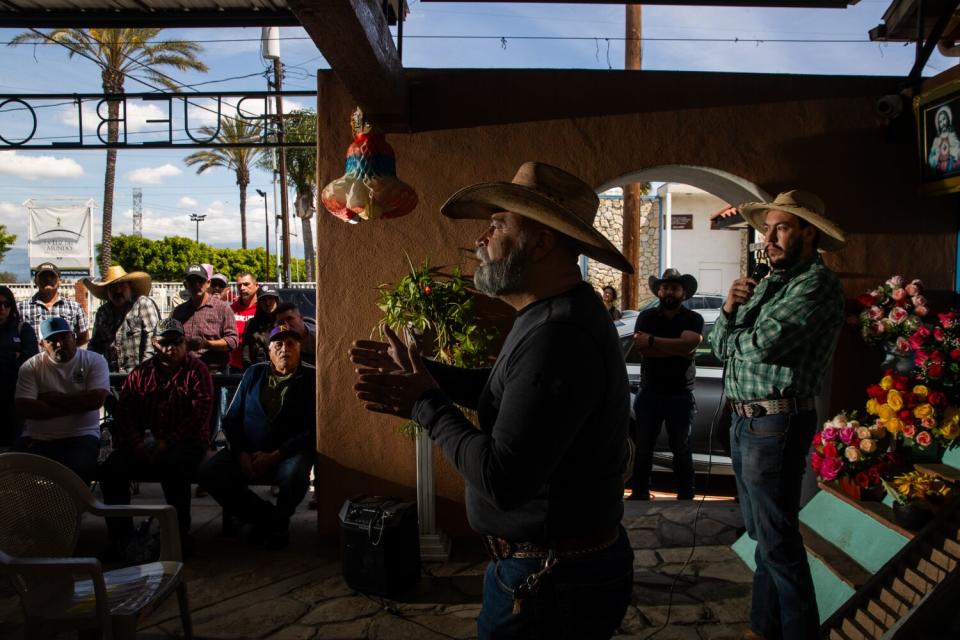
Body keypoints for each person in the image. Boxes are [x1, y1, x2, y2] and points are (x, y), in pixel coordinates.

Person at [350, 162, 635, 640]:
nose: (482, 239)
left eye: (499, 224)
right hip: (550, 570)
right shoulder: (552, 314)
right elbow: (514, 390)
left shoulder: (558, 334)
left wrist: (426, 404)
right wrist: (430, 375)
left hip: (552, 584)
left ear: (541, 242)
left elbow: (502, 480)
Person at [709, 189, 846, 640]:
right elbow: (719, 347)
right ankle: (761, 628)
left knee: (777, 540)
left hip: (776, 423)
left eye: (780, 227)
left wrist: (736, 336)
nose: (767, 238)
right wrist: (729, 308)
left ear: (809, 233)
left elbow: (762, 345)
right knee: (763, 536)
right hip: (745, 421)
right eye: (766, 229)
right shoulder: (770, 282)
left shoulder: (817, 284)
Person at [100, 318, 213, 555]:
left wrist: (167, 442)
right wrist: (136, 443)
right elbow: (125, 412)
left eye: (177, 342)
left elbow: (199, 415)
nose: (171, 347)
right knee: (111, 468)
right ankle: (121, 536)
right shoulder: (141, 373)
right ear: (154, 343)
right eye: (165, 342)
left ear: (185, 343)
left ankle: (178, 536)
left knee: (174, 466)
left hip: (187, 442)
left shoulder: (197, 371)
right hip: (146, 441)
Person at [198, 324, 316, 549]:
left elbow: (313, 428)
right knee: (208, 473)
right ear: (269, 351)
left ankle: (275, 524)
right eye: (278, 345)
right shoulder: (254, 373)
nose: (284, 349)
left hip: (287, 452)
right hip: (249, 448)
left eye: (291, 344)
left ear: (300, 349)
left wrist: (276, 455)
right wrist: (241, 452)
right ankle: (269, 519)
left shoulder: (311, 378)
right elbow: (232, 418)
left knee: (294, 474)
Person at [628, 269, 703, 501]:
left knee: (681, 447)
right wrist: (676, 347)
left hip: (680, 394)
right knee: (643, 447)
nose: (670, 291)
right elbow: (641, 348)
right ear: (659, 291)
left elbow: (688, 346)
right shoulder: (646, 317)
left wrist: (653, 342)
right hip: (649, 392)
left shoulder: (694, 319)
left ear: (683, 293)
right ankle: (640, 492)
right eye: (666, 287)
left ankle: (686, 494)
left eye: (675, 288)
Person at [13, 317, 110, 483]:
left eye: (64, 337)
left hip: (81, 435)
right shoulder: (31, 367)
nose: (59, 344)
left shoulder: (94, 361)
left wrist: (52, 399)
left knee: (78, 470)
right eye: (52, 340)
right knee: (14, 474)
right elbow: (24, 407)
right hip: (37, 437)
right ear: (42, 344)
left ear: (73, 337)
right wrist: (76, 404)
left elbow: (95, 400)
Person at [84, 266, 161, 373]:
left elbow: (153, 338)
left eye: (121, 285)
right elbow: (96, 345)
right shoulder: (103, 312)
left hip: (140, 374)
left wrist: (144, 372)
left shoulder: (142, 304)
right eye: (112, 287)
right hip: (111, 376)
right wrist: (87, 365)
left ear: (130, 287)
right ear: (107, 291)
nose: (117, 290)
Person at [171, 264, 239, 372]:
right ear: (185, 285)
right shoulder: (178, 311)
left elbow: (233, 341)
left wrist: (207, 344)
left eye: (200, 281)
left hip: (215, 372)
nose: (196, 285)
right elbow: (172, 339)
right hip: (185, 371)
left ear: (208, 283)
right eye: (192, 281)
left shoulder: (223, 308)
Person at [0, 286, 38, 446]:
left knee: (15, 448)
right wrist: (12, 355)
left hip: (15, 402)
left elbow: (31, 361)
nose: (1, 308)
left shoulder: (22, 329)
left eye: (6, 304)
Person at [17, 262, 89, 347]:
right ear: (35, 281)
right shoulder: (21, 307)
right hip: (33, 358)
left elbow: (84, 337)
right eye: (43, 276)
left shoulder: (74, 307)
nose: (48, 279)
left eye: (52, 276)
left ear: (59, 282)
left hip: (65, 359)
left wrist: (68, 349)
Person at [241, 284, 280, 368]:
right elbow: (245, 354)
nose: (267, 303)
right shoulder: (251, 324)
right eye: (263, 300)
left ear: (276, 300)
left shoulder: (285, 322)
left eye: (270, 298)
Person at [229, 272, 259, 371]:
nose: (242, 288)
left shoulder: (263, 308)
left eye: (246, 284)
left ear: (256, 286)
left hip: (259, 365)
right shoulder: (231, 309)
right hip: (235, 366)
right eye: (239, 285)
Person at [275, 301, 315, 366]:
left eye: (289, 319)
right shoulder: (277, 341)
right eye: (281, 322)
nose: (286, 325)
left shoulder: (318, 339)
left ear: (301, 318)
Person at [928, 105, 960, 175]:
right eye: (940, 122)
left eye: (944, 119)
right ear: (938, 124)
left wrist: (955, 151)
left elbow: (958, 150)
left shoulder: (952, 135)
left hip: (951, 165)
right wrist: (936, 156)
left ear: (948, 119)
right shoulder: (936, 139)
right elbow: (931, 158)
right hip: (940, 167)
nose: (942, 123)